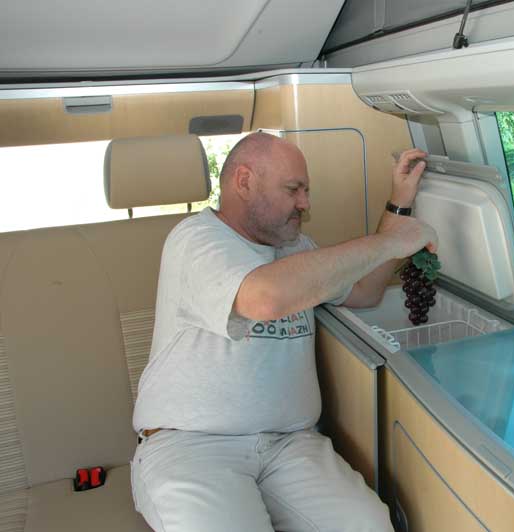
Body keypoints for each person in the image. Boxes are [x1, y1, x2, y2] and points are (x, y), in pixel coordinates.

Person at [130, 132, 437, 532]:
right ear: (244, 182)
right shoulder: (195, 240)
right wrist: (390, 243)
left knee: (372, 526)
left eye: (306, 191)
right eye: (294, 189)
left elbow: (366, 290)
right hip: (192, 446)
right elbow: (264, 297)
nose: (305, 203)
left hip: (290, 445)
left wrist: (400, 202)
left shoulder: (297, 249)